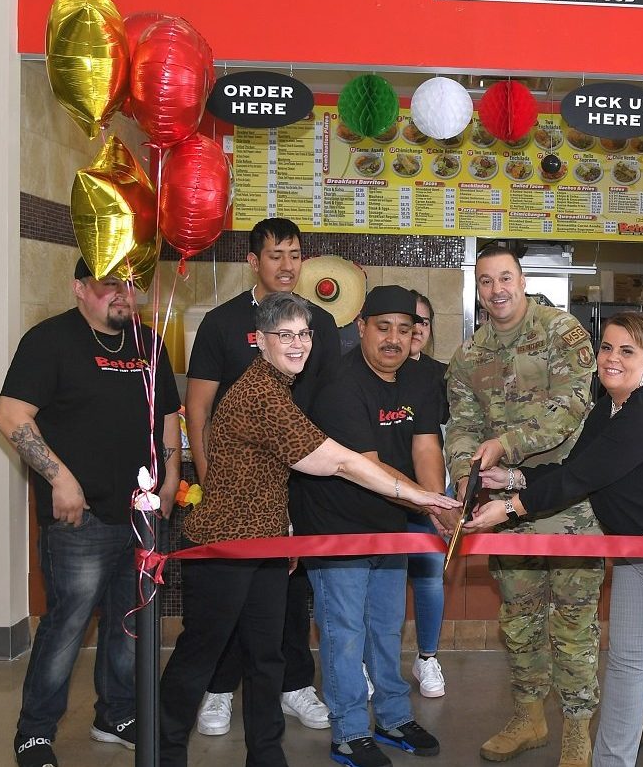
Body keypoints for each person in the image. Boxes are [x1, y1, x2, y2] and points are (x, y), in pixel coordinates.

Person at [159, 292, 458, 767]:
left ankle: (266, 756)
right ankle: (163, 754)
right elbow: (339, 462)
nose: (296, 344)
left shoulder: (282, 387)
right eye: (284, 335)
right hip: (223, 545)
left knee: (266, 659)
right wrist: (420, 496)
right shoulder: (261, 393)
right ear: (260, 341)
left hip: (270, 543)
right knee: (200, 655)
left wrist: (289, 528)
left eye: (303, 334)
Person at [465, 312, 643, 767]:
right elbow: (571, 467)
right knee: (625, 667)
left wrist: (510, 508)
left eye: (627, 351)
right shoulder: (610, 408)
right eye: (606, 348)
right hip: (639, 558)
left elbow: (582, 477)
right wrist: (514, 475)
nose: (611, 359)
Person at [0, 258, 181, 767]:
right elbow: (10, 415)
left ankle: (116, 715)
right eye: (109, 284)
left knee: (131, 622)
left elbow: (167, 415)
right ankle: (34, 733)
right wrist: (60, 478)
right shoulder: (50, 340)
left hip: (142, 514)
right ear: (80, 288)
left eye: (131, 284)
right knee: (67, 626)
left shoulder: (149, 343)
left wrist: (171, 474)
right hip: (80, 519)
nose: (123, 294)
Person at [444, 244, 599, 767]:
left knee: (574, 622)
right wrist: (469, 470)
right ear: (478, 288)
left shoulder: (563, 332)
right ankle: (529, 716)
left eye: (505, 277)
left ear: (521, 278)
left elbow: (572, 407)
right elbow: (462, 425)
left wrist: (506, 444)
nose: (497, 290)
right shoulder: (468, 356)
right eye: (486, 282)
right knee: (520, 616)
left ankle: (577, 730)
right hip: (504, 505)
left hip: (568, 503)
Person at [184, 218, 340, 734]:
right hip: (236, 490)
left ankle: (295, 684)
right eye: (276, 255)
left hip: (304, 480)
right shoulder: (223, 323)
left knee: (291, 593)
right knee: (230, 593)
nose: (287, 265)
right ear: (254, 261)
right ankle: (220, 689)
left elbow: (326, 413)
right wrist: (212, 487)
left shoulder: (318, 323)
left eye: (295, 254)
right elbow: (199, 409)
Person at [291, 285, 448, 766]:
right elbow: (370, 466)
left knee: (385, 625)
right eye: (383, 328)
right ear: (360, 327)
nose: (394, 340)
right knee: (344, 630)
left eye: (405, 330)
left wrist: (437, 503)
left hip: (391, 522)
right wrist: (431, 506)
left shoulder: (419, 380)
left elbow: (425, 447)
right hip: (337, 524)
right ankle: (349, 731)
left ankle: (395, 717)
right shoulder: (339, 383)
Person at [405, 292, 447, 699]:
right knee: (374, 578)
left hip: (432, 492)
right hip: (379, 493)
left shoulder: (443, 375)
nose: (415, 329)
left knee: (430, 575)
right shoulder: (374, 369)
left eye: (423, 322)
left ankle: (428, 657)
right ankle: (369, 662)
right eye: (408, 320)